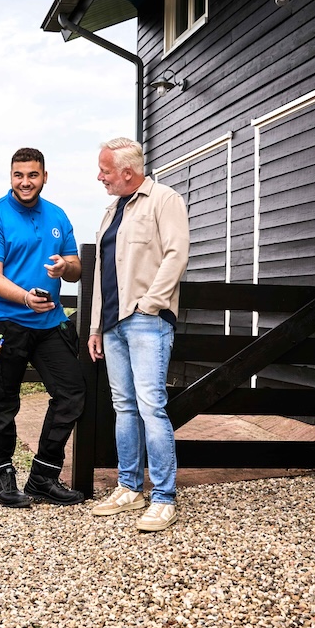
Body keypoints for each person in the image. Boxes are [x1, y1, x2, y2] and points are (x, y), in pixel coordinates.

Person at [0, 147, 87, 508]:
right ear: (11, 177)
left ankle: (43, 476)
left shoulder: (57, 215)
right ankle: (2, 478)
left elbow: (76, 266)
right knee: (4, 401)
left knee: (71, 394)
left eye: (33, 175)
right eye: (19, 175)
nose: (26, 182)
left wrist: (62, 270)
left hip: (50, 320)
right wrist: (24, 298)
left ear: (44, 176)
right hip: (5, 323)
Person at [87, 137, 190, 532]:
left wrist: (151, 303)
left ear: (127, 172)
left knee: (151, 406)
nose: (100, 177)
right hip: (112, 326)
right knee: (124, 407)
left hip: (147, 320)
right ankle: (129, 488)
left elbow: (176, 254)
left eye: (106, 171)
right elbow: (102, 272)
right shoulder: (111, 209)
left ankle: (164, 498)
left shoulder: (164, 199)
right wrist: (97, 325)